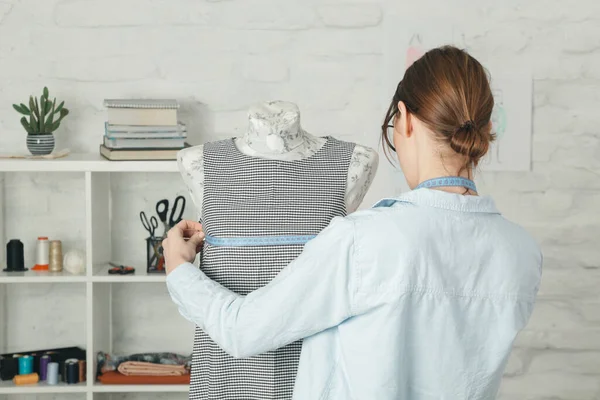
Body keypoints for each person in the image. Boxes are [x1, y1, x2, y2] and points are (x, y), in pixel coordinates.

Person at [163, 45, 543, 399]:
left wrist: (178, 267)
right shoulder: (522, 252)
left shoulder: (363, 241)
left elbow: (242, 331)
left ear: (405, 119)